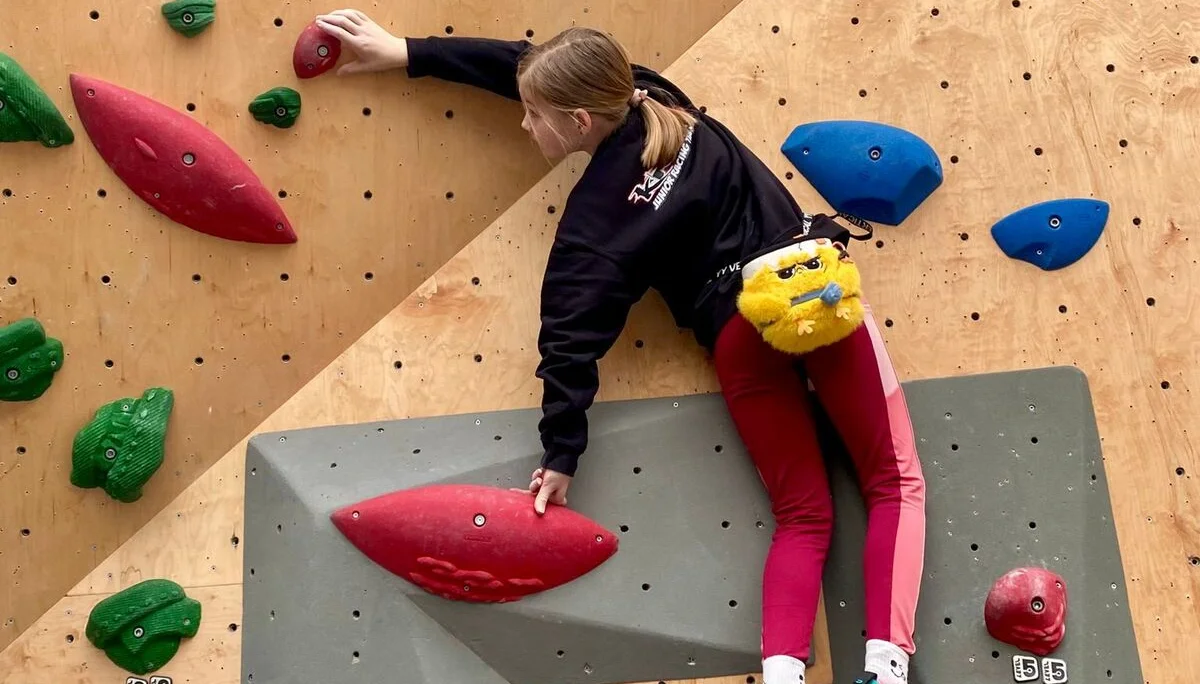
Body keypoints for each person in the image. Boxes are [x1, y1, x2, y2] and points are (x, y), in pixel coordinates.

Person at [314, 10, 927, 684]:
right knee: (894, 486)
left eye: (533, 116)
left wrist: (561, 451)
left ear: (580, 123)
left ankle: (784, 675)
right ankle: (887, 666)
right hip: (819, 298)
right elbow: (532, 64)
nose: (524, 125)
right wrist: (404, 51)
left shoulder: (599, 219)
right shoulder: (651, 92)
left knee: (803, 516)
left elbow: (568, 341)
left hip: (740, 340)